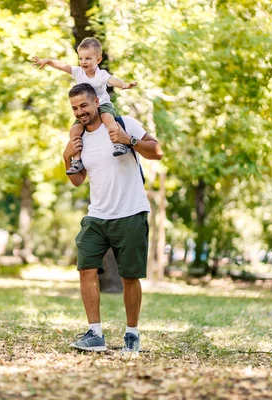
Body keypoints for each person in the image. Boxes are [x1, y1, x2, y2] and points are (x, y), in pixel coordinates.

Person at [63, 83, 163, 352]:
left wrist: (128, 140)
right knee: (86, 267)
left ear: (97, 101)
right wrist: (66, 157)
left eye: (84, 105)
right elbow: (77, 180)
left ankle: (132, 334)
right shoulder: (79, 137)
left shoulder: (122, 123)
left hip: (130, 212)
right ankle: (95, 333)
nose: (80, 112)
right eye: (74, 108)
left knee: (129, 276)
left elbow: (157, 151)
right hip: (97, 215)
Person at [32, 37, 137, 175]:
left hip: (103, 105)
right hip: (86, 109)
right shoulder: (78, 72)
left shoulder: (101, 74)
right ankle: (77, 160)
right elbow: (64, 66)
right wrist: (49, 61)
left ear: (98, 60)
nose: (83, 62)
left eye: (88, 59)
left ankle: (119, 143)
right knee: (74, 131)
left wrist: (123, 84)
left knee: (107, 119)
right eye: (81, 58)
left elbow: (112, 80)